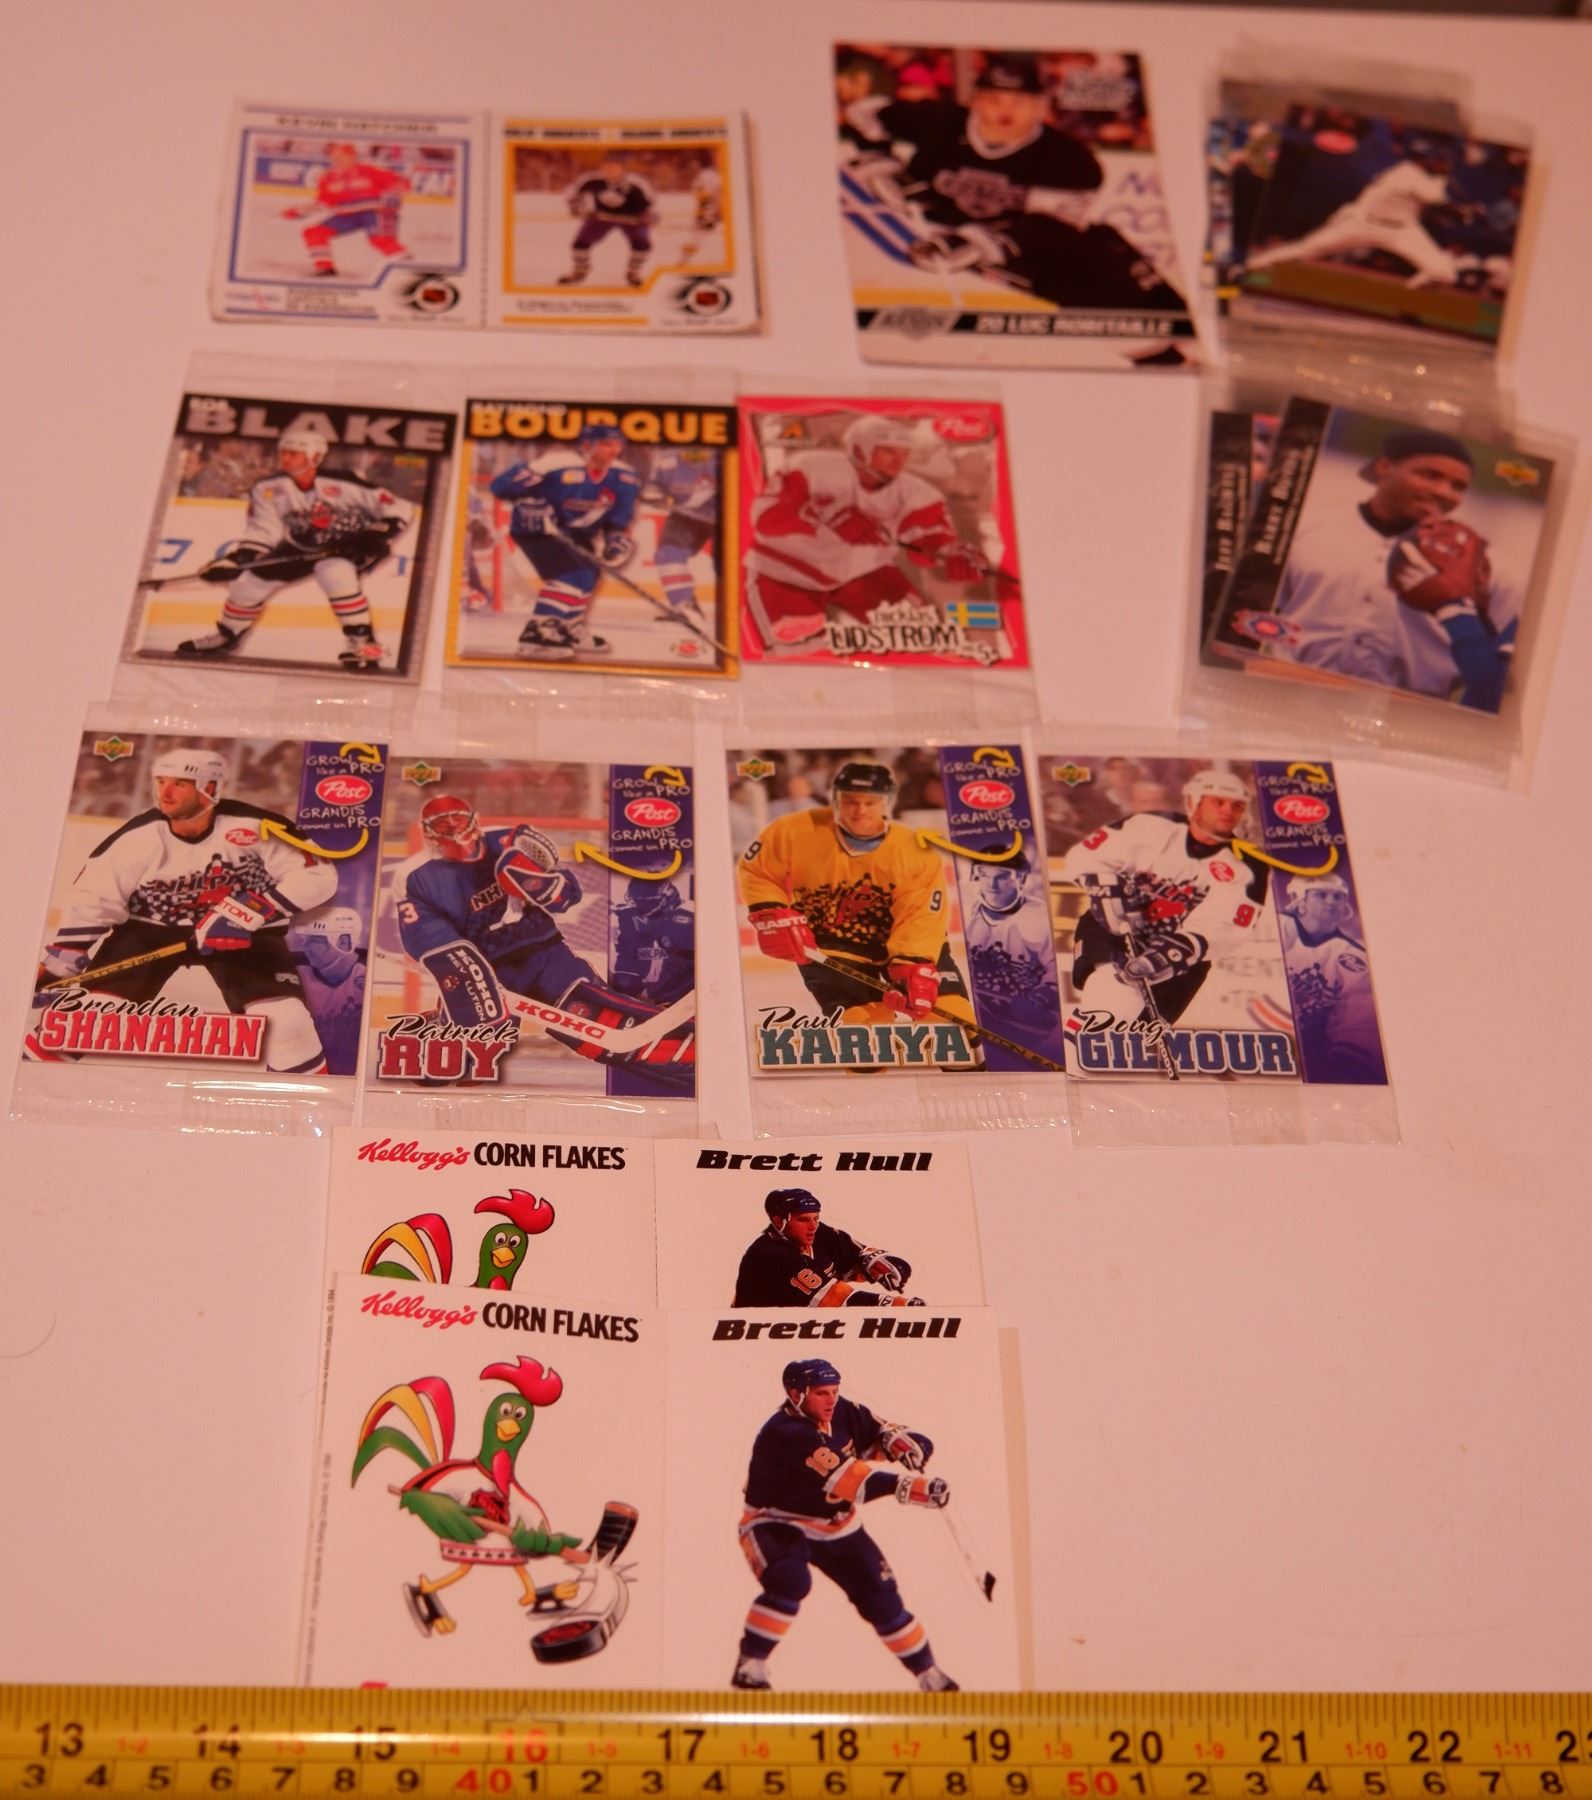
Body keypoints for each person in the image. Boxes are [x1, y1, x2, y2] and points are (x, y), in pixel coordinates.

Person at [29, 748, 333, 1073]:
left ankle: (310, 1100)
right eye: (161, 781)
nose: (166, 792)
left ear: (210, 788)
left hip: (244, 934)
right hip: (150, 930)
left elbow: (319, 874)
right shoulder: (139, 836)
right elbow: (96, 896)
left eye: (180, 783)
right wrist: (62, 959)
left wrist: (245, 913)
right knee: (85, 1018)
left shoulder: (258, 827)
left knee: (288, 1025)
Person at [840, 52, 1188, 316]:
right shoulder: (942, 121)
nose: (1005, 112)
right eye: (993, 100)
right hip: (932, 235)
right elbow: (863, 114)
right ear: (975, 100)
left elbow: (1055, 227)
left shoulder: (1068, 159)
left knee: (1105, 257)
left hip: (1018, 252)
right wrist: (878, 160)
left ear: (1039, 107)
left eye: (1019, 102)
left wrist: (980, 244)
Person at [391, 793, 690, 1084]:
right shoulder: (414, 876)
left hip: (545, 955)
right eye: (442, 823)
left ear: (473, 819)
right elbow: (426, 935)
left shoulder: (510, 839)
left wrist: (544, 886)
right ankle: (439, 1024)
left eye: (457, 819)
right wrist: (468, 976)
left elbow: (568, 894)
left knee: (595, 1024)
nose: (452, 828)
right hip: (485, 966)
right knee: (470, 1057)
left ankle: (686, 1046)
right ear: (428, 832)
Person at [732, 1358, 958, 1692]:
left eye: (834, 1390)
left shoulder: (841, 1411)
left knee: (882, 1599)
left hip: (836, 1524)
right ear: (795, 1394)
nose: (831, 1399)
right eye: (821, 1392)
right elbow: (854, 1483)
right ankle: (750, 1664)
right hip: (776, 1520)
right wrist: (909, 1487)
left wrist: (905, 1442)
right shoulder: (786, 1433)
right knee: (789, 1580)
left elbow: (878, 1432)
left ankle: (929, 1674)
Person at [1273, 428, 1518, 711]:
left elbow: (1501, 672)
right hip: (1294, 699)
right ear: (1384, 467)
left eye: (1458, 486)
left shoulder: (1488, 566)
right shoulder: (1304, 528)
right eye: (1430, 475)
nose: (1443, 492)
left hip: (1410, 717)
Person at [737, 759, 974, 1029]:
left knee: (955, 1024)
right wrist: (769, 910)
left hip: (906, 937)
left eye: (870, 802)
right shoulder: (794, 830)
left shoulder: (913, 849)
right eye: (850, 801)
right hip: (831, 945)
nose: (860, 810)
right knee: (864, 1033)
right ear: (835, 799)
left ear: (887, 802)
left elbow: (921, 915)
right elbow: (758, 870)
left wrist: (913, 965)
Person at [744, 415, 992, 651]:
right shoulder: (810, 467)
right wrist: (823, 515)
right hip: (786, 572)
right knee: (796, 653)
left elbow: (925, 540)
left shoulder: (917, 492)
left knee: (922, 636)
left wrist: (949, 553)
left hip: (863, 574)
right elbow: (765, 519)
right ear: (860, 450)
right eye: (888, 451)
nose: (898, 460)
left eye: (903, 453)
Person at [174, 426, 408, 671]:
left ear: (315, 457)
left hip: (351, 546)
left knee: (335, 572)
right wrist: (239, 559)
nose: (285, 458)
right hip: (303, 545)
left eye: (293, 454)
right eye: (283, 453)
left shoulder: (344, 482)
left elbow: (399, 507)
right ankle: (227, 636)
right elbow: (263, 529)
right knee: (247, 583)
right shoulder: (268, 488)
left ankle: (364, 644)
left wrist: (378, 534)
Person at [1060, 768, 1268, 1034]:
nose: (1228, 811)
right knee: (1111, 998)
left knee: (1141, 1038)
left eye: (1237, 806)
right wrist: (1105, 885)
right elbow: (1087, 855)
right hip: (1113, 931)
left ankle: (1079, 1045)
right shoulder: (1152, 826)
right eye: (1218, 802)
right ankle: (1073, 1047)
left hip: (1181, 960)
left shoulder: (1247, 867)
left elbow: (1227, 926)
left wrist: (1178, 949)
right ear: (1194, 802)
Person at [489, 422, 640, 661]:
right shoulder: (556, 464)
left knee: (589, 575)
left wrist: (616, 539)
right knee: (571, 575)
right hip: (538, 529)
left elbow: (618, 519)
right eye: (606, 444)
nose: (614, 450)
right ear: (587, 445)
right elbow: (500, 486)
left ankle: (568, 627)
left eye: (618, 445)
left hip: (577, 532)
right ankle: (536, 633)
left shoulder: (624, 477)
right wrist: (527, 502)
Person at [1244, 144, 1459, 289]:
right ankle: (1254, 263)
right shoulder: (1409, 173)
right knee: (1308, 248)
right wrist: (1447, 183)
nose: (1441, 163)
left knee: (1446, 275)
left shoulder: (1420, 175)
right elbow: (1440, 202)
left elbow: (1442, 203)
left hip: (1402, 230)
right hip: (1363, 223)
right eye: (1437, 159)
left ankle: (1417, 287)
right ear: (1422, 160)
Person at [732, 1188, 922, 1309]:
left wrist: (875, 1264)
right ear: (778, 1221)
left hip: (803, 1327)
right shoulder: (769, 1255)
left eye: (815, 1218)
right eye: (803, 1219)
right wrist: (899, 1305)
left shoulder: (820, 1233)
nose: (813, 1226)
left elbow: (856, 1258)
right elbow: (837, 1298)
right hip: (758, 1335)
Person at [1278, 873, 1385, 1082]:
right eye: (1321, 894)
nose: (1331, 901)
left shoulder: (1352, 956)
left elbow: (1359, 1015)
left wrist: (1348, 1062)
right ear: (1299, 899)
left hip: (1307, 1057)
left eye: (1337, 897)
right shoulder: (1274, 928)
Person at [962, 846, 1060, 1033]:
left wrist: (1039, 999)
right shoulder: (965, 912)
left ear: (1021, 878)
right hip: (975, 1020)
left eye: (1001, 876)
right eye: (984, 875)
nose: (991, 884)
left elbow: (1059, 973)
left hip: (1026, 1029)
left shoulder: (1041, 918)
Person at [281, 140, 409, 278]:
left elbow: (400, 182)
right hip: (347, 216)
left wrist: (393, 196)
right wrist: (299, 211)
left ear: (352, 156)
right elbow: (323, 202)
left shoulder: (369, 170)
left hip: (374, 212)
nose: (338, 159)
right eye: (334, 156)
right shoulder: (328, 178)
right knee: (314, 232)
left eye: (342, 156)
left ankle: (407, 266)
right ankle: (325, 268)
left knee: (381, 240)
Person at [289, 902, 367, 1073]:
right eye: (304, 940)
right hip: (313, 1074)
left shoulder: (370, 977)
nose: (305, 947)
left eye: (314, 940)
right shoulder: (296, 975)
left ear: (344, 942)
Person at [558, 154, 656, 288]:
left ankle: (634, 273)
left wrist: (649, 215)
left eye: (614, 167)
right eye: (606, 166)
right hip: (602, 218)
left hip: (632, 220)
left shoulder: (637, 183)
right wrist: (575, 206)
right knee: (580, 244)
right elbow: (571, 193)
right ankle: (580, 271)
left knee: (642, 245)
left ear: (623, 168)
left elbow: (652, 202)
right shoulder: (591, 179)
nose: (610, 170)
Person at [610, 875, 695, 1005]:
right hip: (644, 984)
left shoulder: (689, 917)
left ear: (667, 897)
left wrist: (653, 991)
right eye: (638, 900)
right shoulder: (627, 915)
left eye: (645, 902)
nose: (640, 906)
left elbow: (685, 966)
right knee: (624, 982)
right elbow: (626, 954)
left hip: (674, 989)